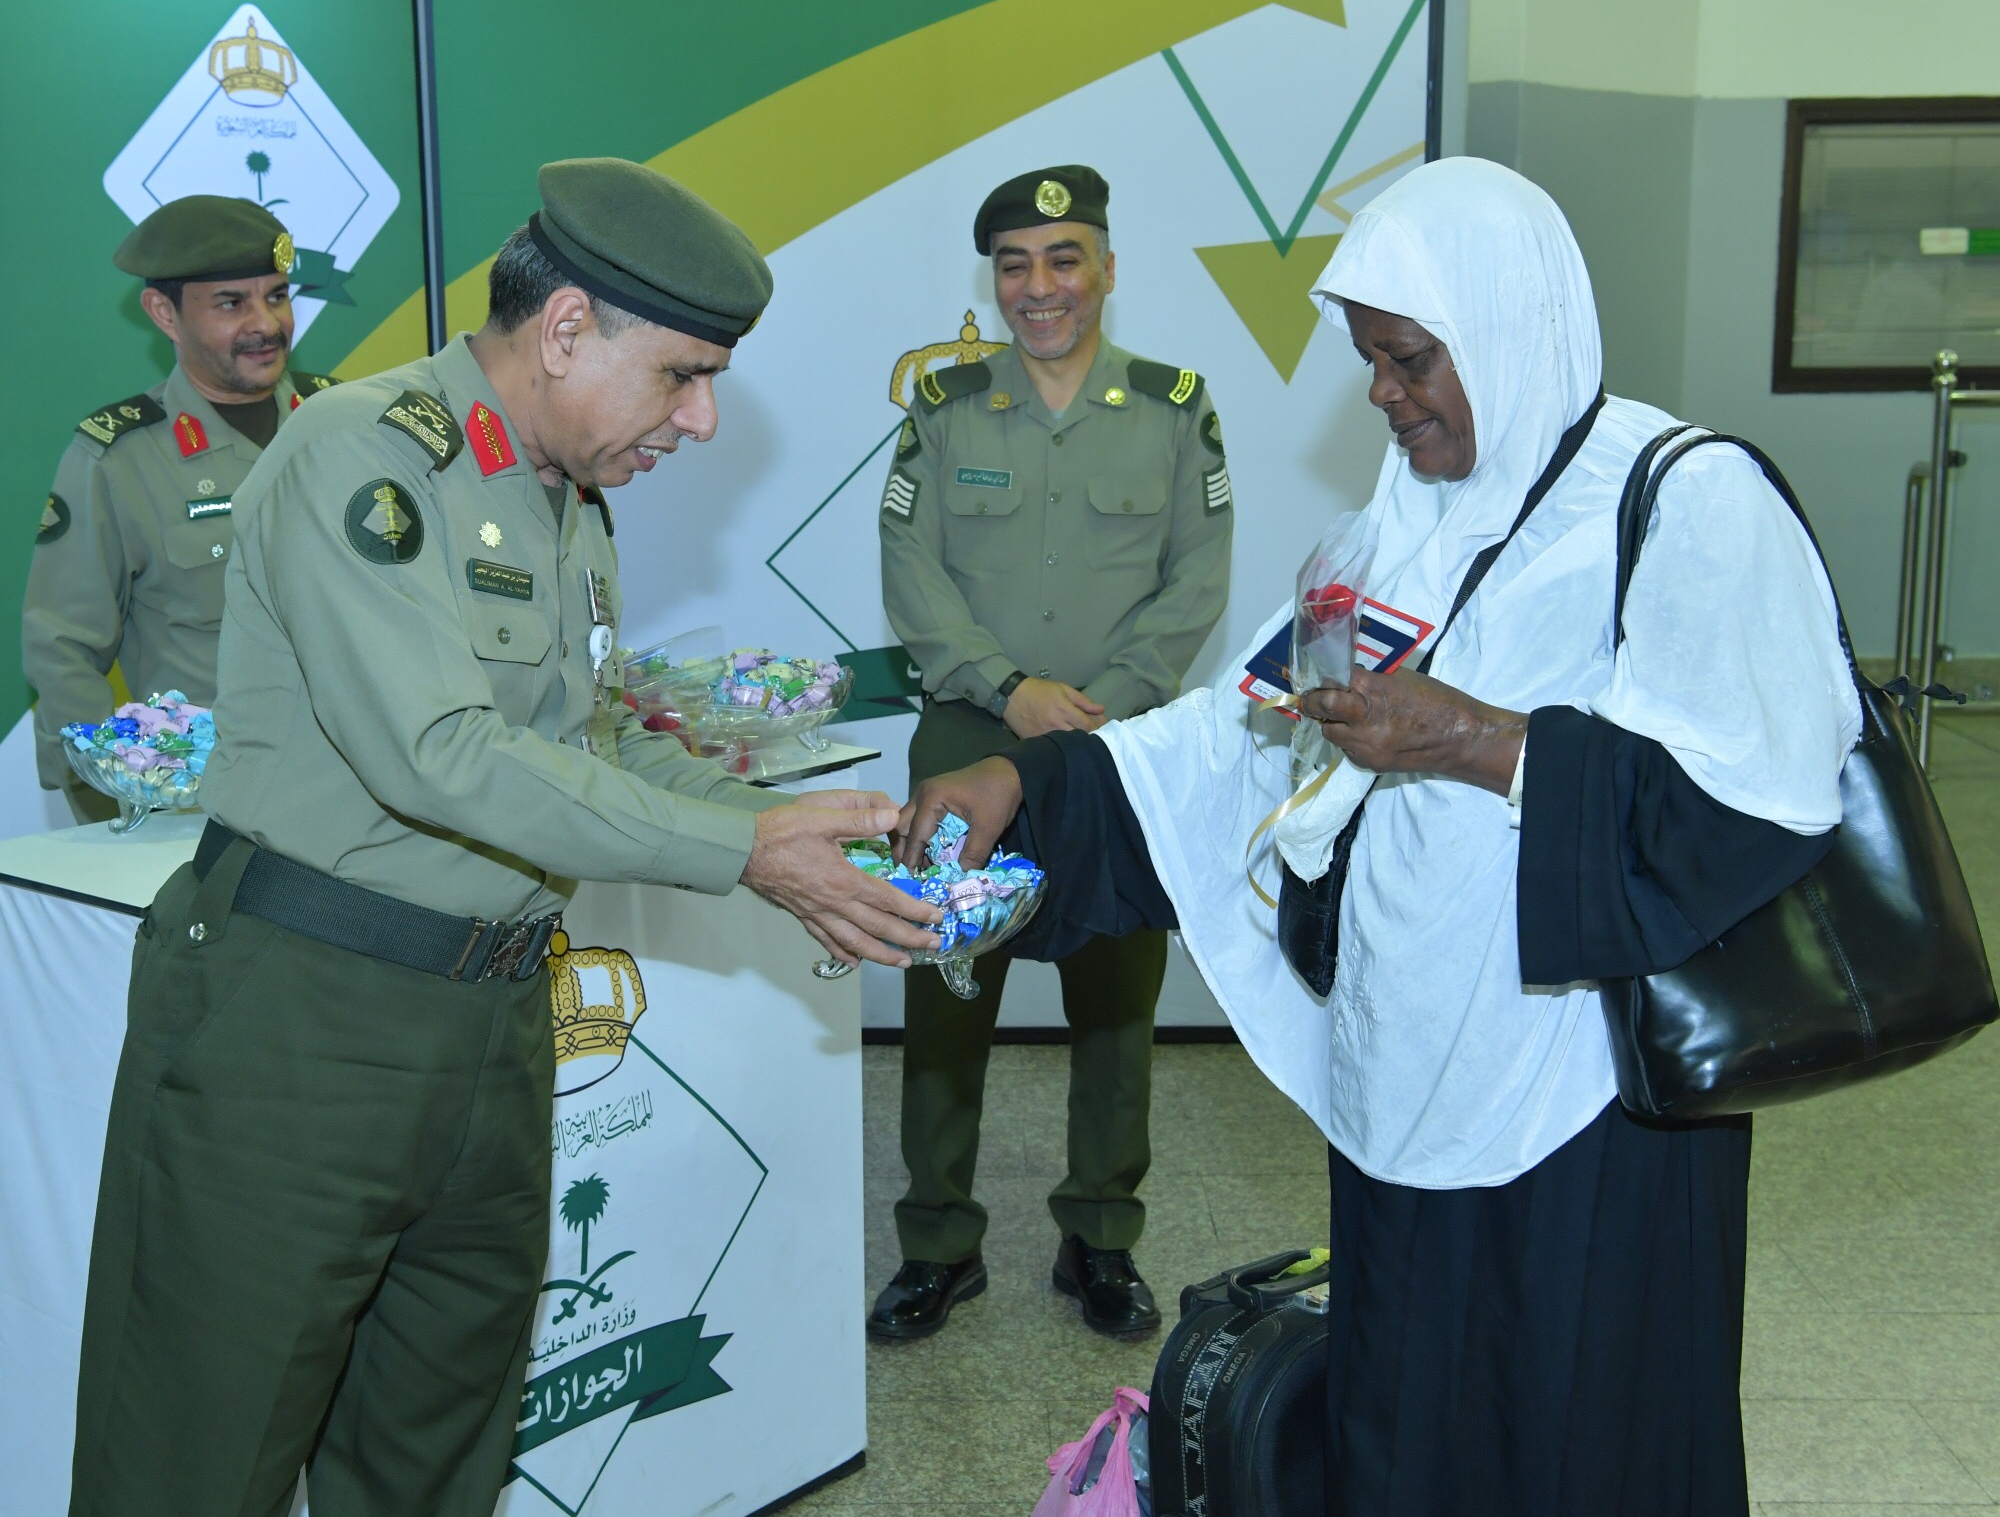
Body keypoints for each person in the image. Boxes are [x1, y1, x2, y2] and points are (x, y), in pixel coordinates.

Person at [899, 158, 1860, 1513]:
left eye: (1409, 359)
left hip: (1586, 1106)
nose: (1383, 396)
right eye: (1372, 362)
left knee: (1577, 1425)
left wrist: (1480, 742)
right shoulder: (1391, 526)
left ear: (1512, 330)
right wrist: (1023, 781)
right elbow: (1239, 736)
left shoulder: (1683, 503)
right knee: (1409, 1415)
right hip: (1404, 1070)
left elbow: (1766, 796)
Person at [67, 159, 941, 1517]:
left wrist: (783, 815)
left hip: (490, 1032)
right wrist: (742, 854)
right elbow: (444, 755)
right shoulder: (363, 452)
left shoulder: (563, 496)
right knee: (197, 1459)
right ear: (570, 327)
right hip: (299, 1024)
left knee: (431, 1460)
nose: (703, 420)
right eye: (685, 376)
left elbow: (578, 736)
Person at [873, 164, 1232, 1340]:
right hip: (972, 730)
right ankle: (936, 1239)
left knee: (1117, 998)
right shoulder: (943, 405)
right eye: (1014, 263)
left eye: (1062, 258)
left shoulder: (1178, 407)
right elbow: (912, 575)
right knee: (945, 997)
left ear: (1106, 270)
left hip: (1117, 741)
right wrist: (1008, 689)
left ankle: (1100, 1235)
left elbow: (1194, 587)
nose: (1039, 287)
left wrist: (1094, 708)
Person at [24, 195, 339, 822]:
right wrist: (117, 797)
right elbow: (63, 652)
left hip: (357, 805)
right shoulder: (117, 459)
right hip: (205, 818)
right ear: (163, 313)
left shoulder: (342, 425)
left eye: (277, 295)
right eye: (231, 303)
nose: (267, 323)